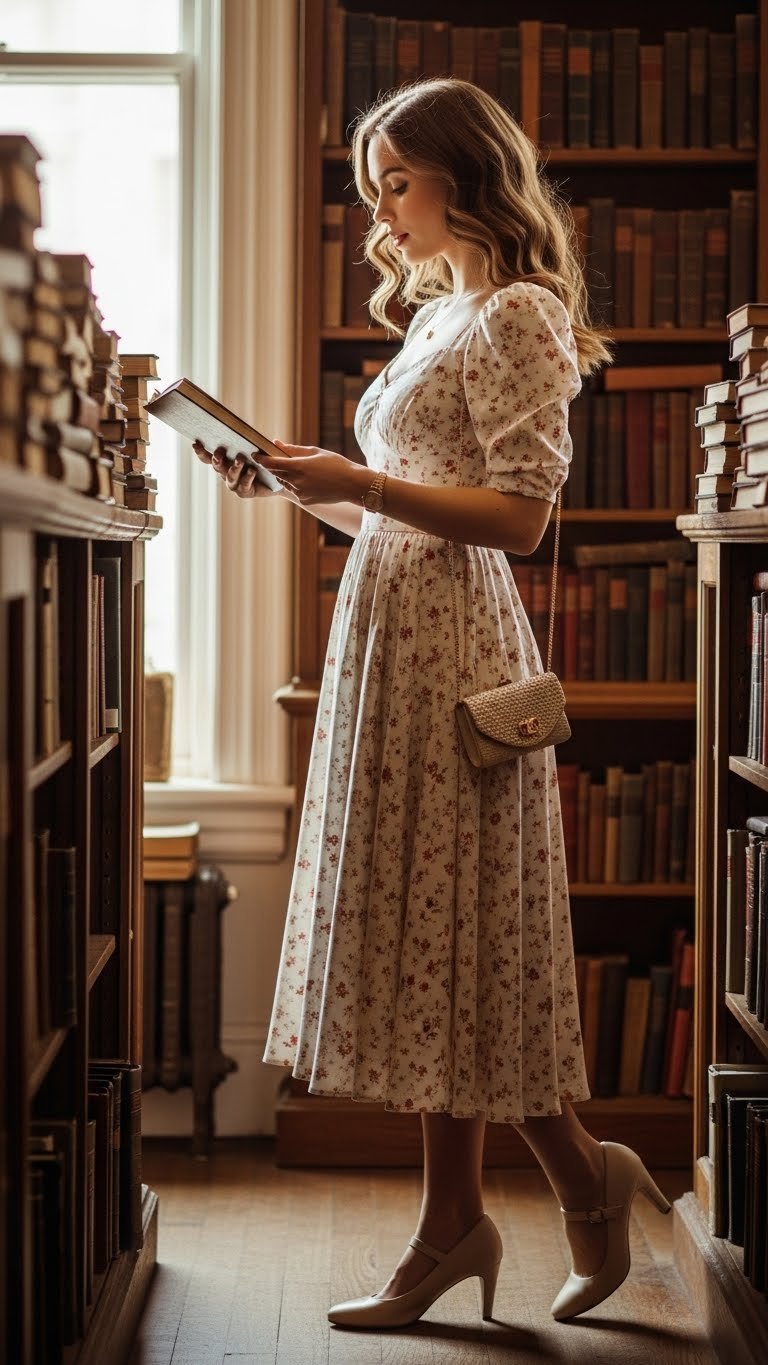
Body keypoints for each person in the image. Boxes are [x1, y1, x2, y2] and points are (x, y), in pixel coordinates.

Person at [194, 77, 671, 1329]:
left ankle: (462, 1223)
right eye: (373, 187)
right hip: (390, 629)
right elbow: (391, 502)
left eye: (396, 182)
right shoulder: (437, 317)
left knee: (451, 929)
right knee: (431, 937)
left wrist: (359, 477)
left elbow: (516, 519)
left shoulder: (516, 313)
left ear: (466, 176)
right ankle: (554, 1186)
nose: (380, 212)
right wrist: (298, 488)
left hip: (453, 647)